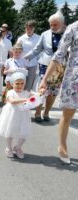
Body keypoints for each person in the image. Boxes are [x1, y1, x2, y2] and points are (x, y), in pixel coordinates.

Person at [38, 21, 78, 164]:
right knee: (68, 115)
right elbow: (59, 55)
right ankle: (62, 146)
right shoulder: (73, 28)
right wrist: (44, 79)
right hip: (74, 80)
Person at [24, 11, 66, 123]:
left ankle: (46, 112)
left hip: (60, 67)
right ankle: (38, 112)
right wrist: (26, 57)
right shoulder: (45, 34)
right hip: (45, 65)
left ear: (62, 23)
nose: (52, 27)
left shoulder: (68, 33)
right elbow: (37, 49)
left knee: (53, 92)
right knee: (42, 89)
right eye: (51, 24)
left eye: (55, 24)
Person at [0, 72, 32, 159]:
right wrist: (26, 99)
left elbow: (36, 97)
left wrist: (41, 93)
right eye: (17, 83)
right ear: (12, 84)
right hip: (12, 115)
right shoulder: (10, 92)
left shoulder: (26, 93)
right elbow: (12, 101)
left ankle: (17, 147)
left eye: (22, 83)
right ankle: (9, 148)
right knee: (10, 131)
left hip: (23, 115)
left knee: (23, 133)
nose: (19, 85)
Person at [17, 20, 40, 91]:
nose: (28, 30)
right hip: (22, 64)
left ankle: (27, 100)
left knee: (29, 84)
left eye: (30, 29)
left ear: (34, 29)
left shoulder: (39, 38)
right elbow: (16, 50)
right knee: (21, 82)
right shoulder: (21, 38)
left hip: (33, 64)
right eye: (27, 28)